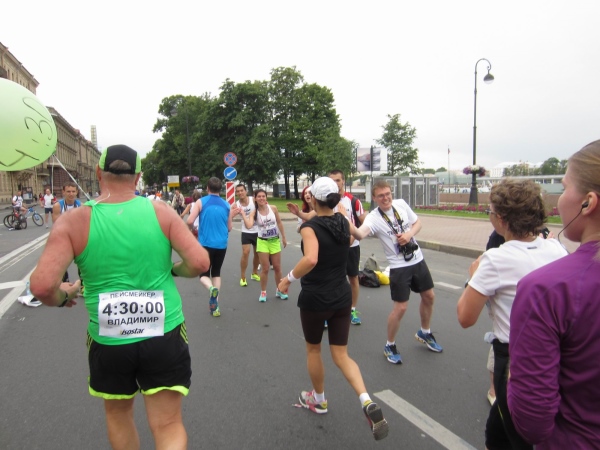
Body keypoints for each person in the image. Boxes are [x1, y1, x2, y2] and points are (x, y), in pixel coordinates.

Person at [30, 144, 209, 450]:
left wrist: (64, 295)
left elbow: (43, 287)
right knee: (167, 424)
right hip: (164, 330)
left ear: (98, 172)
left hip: (109, 338)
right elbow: (200, 262)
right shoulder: (160, 212)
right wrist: (174, 270)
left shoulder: (75, 221)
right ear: (138, 177)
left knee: (119, 415)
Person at [457, 178, 568, 450]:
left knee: (515, 437)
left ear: (501, 219)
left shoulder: (495, 259)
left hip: (514, 357)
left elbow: (465, 318)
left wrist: (473, 278)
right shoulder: (556, 249)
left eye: (491, 211)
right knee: (498, 430)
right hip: (556, 351)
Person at [277, 177, 388, 441]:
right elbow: (358, 235)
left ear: (314, 199)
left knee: (314, 349)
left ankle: (319, 400)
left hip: (316, 298)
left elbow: (311, 259)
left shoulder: (310, 228)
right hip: (342, 297)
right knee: (341, 355)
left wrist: (287, 279)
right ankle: (366, 399)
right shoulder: (342, 220)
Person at [508, 140, 600, 449]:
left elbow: (532, 420)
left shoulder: (546, 289)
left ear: (588, 202)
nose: (560, 199)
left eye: (564, 187)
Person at [350, 180, 442, 364]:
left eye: (388, 194)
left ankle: (425, 332)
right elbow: (360, 234)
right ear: (374, 198)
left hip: (417, 258)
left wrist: (408, 235)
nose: (386, 198)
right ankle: (389, 345)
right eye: (381, 196)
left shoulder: (400, 204)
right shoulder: (374, 218)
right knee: (401, 308)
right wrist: (345, 221)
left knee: (429, 296)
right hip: (399, 266)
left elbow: (417, 223)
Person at [288, 170, 367, 325]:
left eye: (337, 180)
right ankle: (328, 311)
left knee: (352, 277)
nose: (334, 183)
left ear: (343, 181)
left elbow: (363, 225)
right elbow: (310, 215)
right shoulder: (323, 202)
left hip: (350, 246)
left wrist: (288, 279)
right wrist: (298, 213)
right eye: (332, 180)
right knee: (331, 277)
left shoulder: (353, 201)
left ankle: (351, 309)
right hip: (332, 245)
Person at [187, 177, 235, 317]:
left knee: (203, 274)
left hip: (205, 244)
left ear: (207, 188)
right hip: (221, 244)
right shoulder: (226, 205)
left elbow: (189, 220)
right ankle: (215, 306)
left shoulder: (201, 202)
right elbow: (230, 228)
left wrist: (193, 229)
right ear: (220, 189)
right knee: (216, 272)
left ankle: (211, 288)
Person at [240, 188, 287, 302]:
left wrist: (284, 237)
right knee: (265, 268)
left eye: (263, 196)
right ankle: (263, 292)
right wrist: (243, 214)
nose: (261, 198)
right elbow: (249, 225)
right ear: (255, 199)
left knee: (277, 267)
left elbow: (279, 222)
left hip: (274, 241)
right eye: (259, 196)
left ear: (266, 197)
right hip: (262, 242)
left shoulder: (273, 208)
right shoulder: (254, 212)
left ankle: (279, 290)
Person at [233, 184, 260, 286]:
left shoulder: (253, 200)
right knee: (245, 252)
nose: (240, 193)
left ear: (246, 191)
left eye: (242, 190)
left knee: (257, 253)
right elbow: (229, 214)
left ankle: (254, 273)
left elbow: (263, 206)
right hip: (246, 231)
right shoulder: (236, 205)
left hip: (257, 230)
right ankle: (243, 277)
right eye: (238, 191)